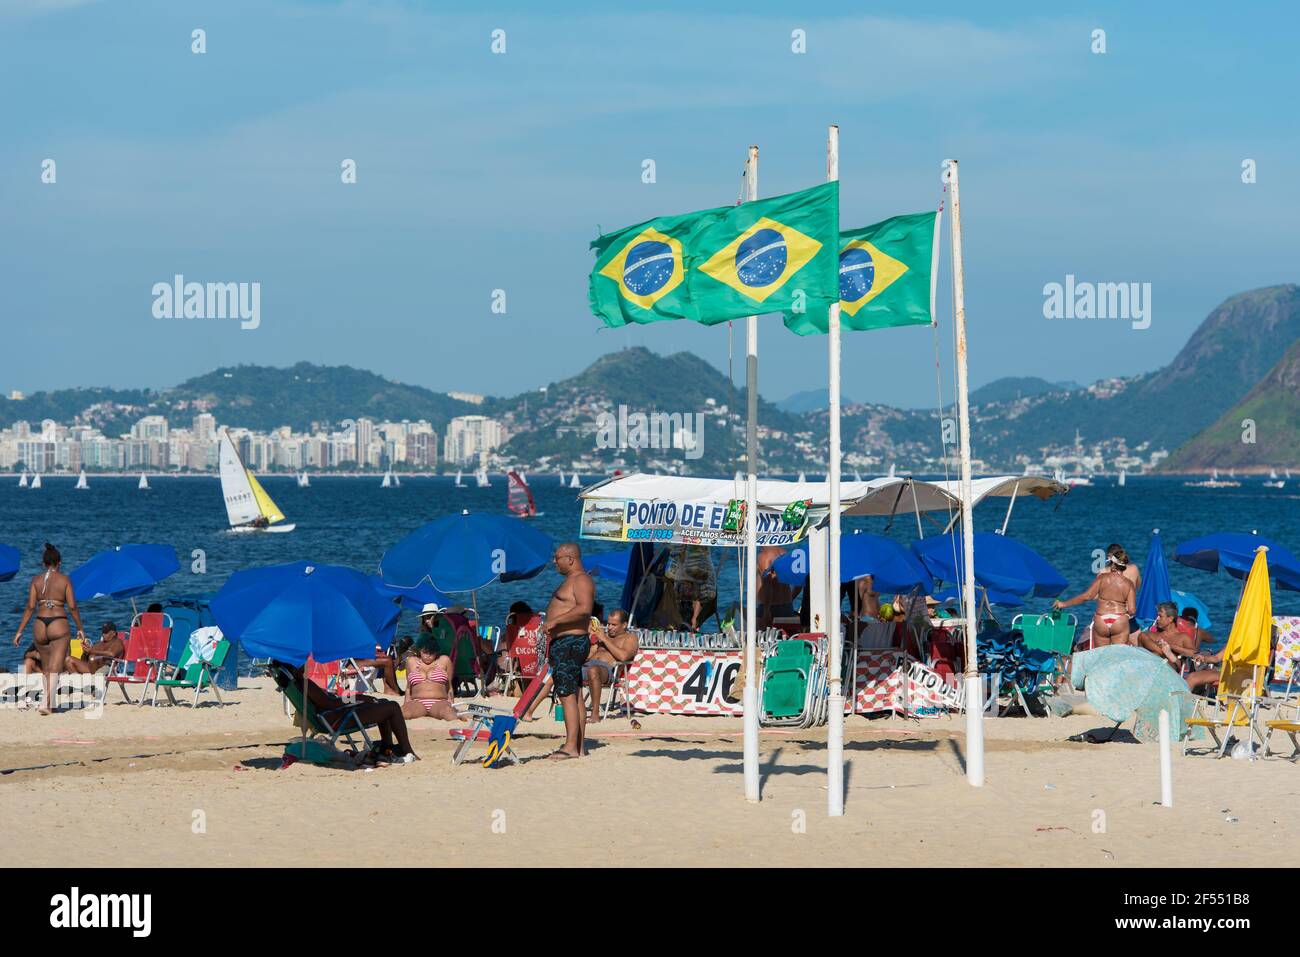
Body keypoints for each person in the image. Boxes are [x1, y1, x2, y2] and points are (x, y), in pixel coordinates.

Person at [278, 661, 418, 763]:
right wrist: (358, 698)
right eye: (300, 661)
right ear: (295, 668)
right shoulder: (305, 684)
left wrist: (355, 698)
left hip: (331, 716)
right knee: (392, 706)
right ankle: (408, 750)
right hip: (339, 717)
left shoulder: (298, 684)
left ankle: (386, 747)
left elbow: (328, 701)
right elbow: (331, 703)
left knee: (384, 704)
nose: (304, 662)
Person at [11, 543, 85, 715]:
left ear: (43, 564)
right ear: (59, 563)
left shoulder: (35, 580)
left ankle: (50, 704)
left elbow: (30, 607)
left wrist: (19, 631)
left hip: (39, 624)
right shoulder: (65, 580)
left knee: (46, 667)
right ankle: (45, 702)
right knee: (56, 667)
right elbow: (73, 607)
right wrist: (80, 627)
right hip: (58, 622)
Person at [543, 541, 595, 759]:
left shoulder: (581, 579)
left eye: (558, 558)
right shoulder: (571, 581)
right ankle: (579, 747)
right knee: (575, 694)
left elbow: (584, 609)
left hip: (570, 642)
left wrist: (555, 622)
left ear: (570, 559)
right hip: (566, 643)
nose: (555, 562)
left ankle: (570, 746)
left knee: (566, 694)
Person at [1053, 544, 1136, 647]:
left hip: (1101, 618)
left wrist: (1063, 604)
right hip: (1119, 619)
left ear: (1113, 564)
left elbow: (1087, 596)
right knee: (1118, 657)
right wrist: (1125, 616)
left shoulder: (1102, 578)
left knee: (1101, 656)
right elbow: (1132, 610)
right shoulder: (1129, 584)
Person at [583, 607, 638, 723]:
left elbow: (623, 656)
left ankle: (595, 714)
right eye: (608, 624)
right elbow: (588, 655)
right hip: (588, 665)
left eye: (614, 625)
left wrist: (604, 639)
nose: (609, 627)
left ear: (624, 625)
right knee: (561, 669)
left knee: (593, 670)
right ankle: (533, 710)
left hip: (608, 671)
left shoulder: (630, 638)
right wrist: (587, 637)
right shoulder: (603, 636)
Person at [401, 635, 465, 721]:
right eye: (425, 652)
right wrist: (406, 704)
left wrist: (452, 705)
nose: (428, 656)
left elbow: (449, 687)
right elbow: (408, 688)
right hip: (417, 701)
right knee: (404, 713)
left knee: (449, 714)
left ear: (436, 651)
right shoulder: (411, 662)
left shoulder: (444, 661)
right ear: (420, 650)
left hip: (439, 701)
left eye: (431, 653)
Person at [1137, 602, 1196, 666]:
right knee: (1142, 636)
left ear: (1170, 619)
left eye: (1160, 616)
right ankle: (1163, 653)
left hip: (1170, 668)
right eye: (1157, 616)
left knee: (1156, 655)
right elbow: (1140, 642)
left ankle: (1165, 654)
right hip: (1150, 666)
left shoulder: (1183, 637)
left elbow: (1193, 654)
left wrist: (1171, 646)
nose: (1157, 619)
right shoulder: (1153, 635)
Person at [756, 545, 798, 627]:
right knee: (785, 637)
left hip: (770, 607)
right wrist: (790, 599)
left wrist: (766, 611)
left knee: (763, 638)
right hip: (787, 605)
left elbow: (767, 585)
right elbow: (798, 582)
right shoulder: (786, 554)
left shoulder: (764, 557)